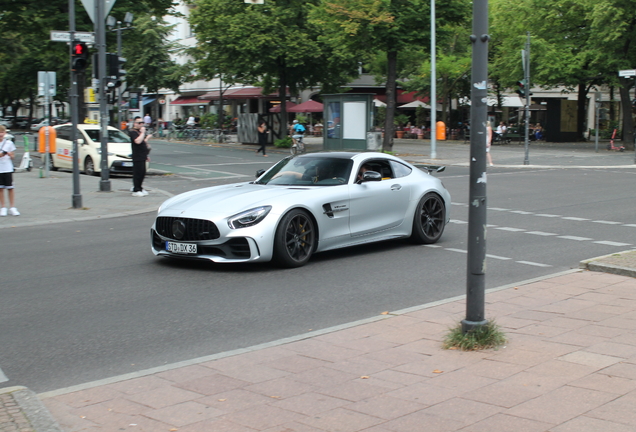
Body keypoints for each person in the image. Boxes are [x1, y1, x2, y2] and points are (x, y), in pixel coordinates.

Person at [128, 117, 152, 197]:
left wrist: (146, 155)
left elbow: (143, 143)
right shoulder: (133, 132)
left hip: (142, 155)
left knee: (142, 173)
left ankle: (140, 187)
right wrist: (142, 133)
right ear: (135, 123)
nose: (141, 124)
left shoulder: (139, 132)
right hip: (137, 156)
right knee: (138, 173)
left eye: (142, 122)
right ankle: (136, 189)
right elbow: (137, 141)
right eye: (139, 123)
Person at [0, 125, 19, 216]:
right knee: (0, 188)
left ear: (5, 133)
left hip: (7, 168)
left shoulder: (8, 143)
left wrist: (10, 154)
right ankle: (3, 207)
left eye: (2, 132)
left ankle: (12, 207)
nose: (0, 134)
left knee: (10, 188)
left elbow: (13, 156)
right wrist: (2, 154)